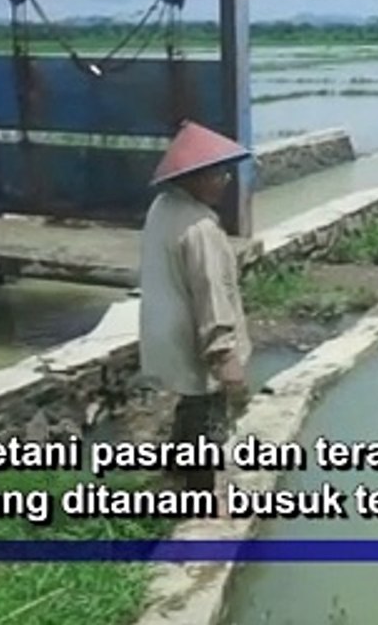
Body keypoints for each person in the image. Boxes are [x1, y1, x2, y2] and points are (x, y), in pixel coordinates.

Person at [138, 120, 252, 494]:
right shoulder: (201, 227)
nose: (225, 181)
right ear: (195, 177)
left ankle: (173, 474)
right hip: (194, 338)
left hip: (164, 333)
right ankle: (200, 500)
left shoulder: (162, 208)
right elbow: (211, 296)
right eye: (218, 174)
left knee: (189, 403)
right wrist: (225, 356)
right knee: (208, 420)